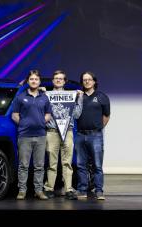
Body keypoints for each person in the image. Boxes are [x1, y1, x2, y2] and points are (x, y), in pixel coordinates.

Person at [43, 70, 83, 200]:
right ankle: (49, 188)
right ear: (53, 80)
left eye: (61, 78)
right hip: (52, 132)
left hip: (68, 132)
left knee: (67, 162)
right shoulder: (45, 95)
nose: (58, 80)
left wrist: (80, 99)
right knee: (51, 163)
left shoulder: (72, 95)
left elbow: (76, 115)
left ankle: (68, 189)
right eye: (56, 78)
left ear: (65, 81)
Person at [12, 70, 52, 200]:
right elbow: (14, 115)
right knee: (23, 165)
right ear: (28, 81)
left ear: (39, 82)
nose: (34, 81)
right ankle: (22, 191)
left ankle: (38, 191)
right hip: (24, 136)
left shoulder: (44, 98)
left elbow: (48, 114)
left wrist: (41, 122)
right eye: (31, 79)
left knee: (39, 166)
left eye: (36, 79)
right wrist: (24, 124)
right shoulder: (20, 97)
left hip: (40, 135)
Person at [75, 71, 110, 200]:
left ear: (94, 81)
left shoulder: (102, 96)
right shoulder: (79, 96)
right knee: (81, 165)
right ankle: (82, 190)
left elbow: (106, 116)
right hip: (80, 135)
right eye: (84, 80)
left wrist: (98, 129)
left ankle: (99, 190)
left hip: (95, 136)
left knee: (97, 165)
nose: (87, 81)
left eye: (89, 79)